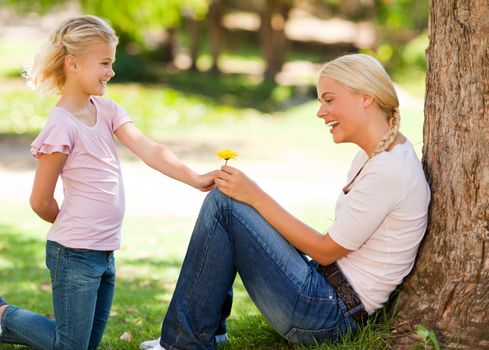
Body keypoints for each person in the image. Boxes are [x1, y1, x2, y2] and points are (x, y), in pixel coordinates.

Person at [140, 53, 431, 349]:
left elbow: (325, 251)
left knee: (225, 205)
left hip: (328, 316)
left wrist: (254, 196)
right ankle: (204, 330)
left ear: (366, 97)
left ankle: (184, 342)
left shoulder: (389, 170)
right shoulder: (377, 157)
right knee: (229, 204)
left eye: (329, 100)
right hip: (324, 293)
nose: (321, 112)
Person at [0, 15, 216, 350]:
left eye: (111, 63)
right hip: (73, 254)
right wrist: (73, 225)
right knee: (70, 346)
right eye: (104, 63)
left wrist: (196, 178)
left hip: (104, 252)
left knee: (84, 345)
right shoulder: (61, 126)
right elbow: (40, 200)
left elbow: (150, 150)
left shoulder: (108, 110)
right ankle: (3, 315)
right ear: (73, 64)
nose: (111, 71)